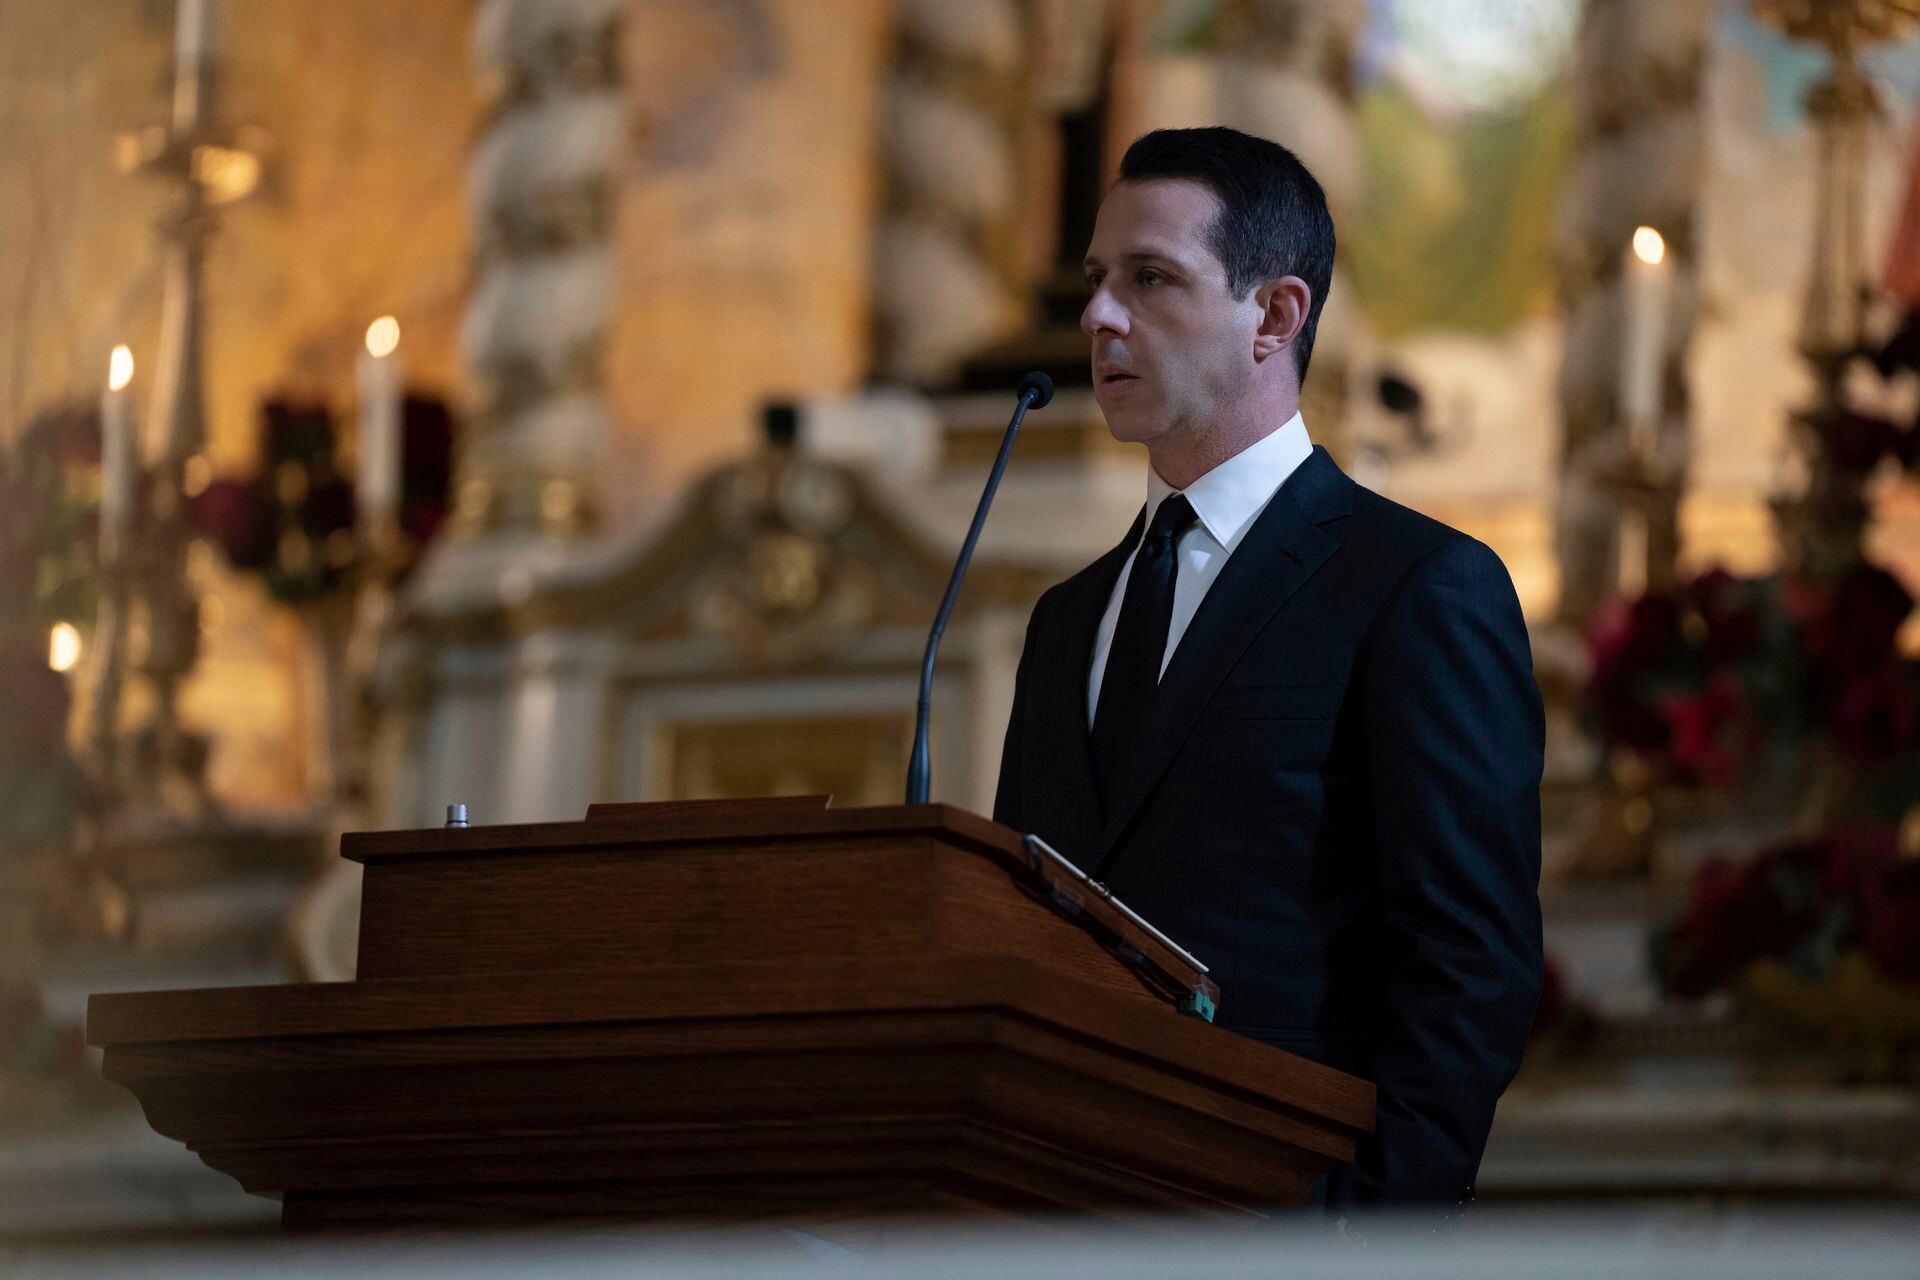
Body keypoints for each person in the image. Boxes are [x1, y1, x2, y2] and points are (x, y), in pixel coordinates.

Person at [992, 126, 1544, 1216]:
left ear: (1276, 316)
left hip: (1287, 1216)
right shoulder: (1066, 621)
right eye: (1098, 279)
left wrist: (1365, 1231)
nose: (1098, 316)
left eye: (1151, 279)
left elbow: (1470, 962)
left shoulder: (1416, 585)